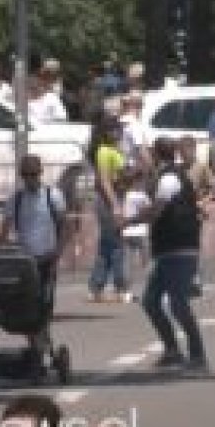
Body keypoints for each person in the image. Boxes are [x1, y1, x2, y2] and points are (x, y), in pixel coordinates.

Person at [121, 146, 208, 372]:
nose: (143, 161)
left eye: (146, 156)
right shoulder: (164, 177)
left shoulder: (169, 178)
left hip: (179, 248)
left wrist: (129, 221)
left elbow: (157, 210)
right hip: (168, 249)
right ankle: (172, 350)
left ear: (157, 156)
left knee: (178, 303)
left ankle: (197, 355)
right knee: (151, 301)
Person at [0, 155, 67, 347]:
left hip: (47, 257)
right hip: (24, 261)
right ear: (22, 176)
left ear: (40, 173)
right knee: (25, 304)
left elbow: (63, 226)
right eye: (27, 175)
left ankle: (42, 334)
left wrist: (57, 252)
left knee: (44, 301)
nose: (31, 179)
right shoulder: (16, 199)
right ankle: (34, 341)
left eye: (34, 174)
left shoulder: (52, 195)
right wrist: (0, 252)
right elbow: (5, 229)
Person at [88, 116, 128, 303]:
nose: (118, 133)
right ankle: (120, 286)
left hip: (116, 197)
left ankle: (97, 286)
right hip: (107, 201)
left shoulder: (113, 150)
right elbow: (104, 181)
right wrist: (115, 205)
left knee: (107, 245)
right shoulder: (104, 151)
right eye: (115, 130)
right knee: (116, 245)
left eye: (119, 129)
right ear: (106, 132)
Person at [120, 168, 151, 296]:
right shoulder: (142, 195)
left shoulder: (126, 195)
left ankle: (127, 291)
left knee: (127, 263)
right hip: (141, 231)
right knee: (146, 262)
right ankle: (151, 288)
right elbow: (149, 210)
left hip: (127, 232)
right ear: (137, 181)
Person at [119, 92, 151, 171]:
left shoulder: (121, 121)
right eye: (141, 104)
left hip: (123, 165)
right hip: (134, 167)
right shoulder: (134, 124)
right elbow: (142, 149)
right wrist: (152, 167)